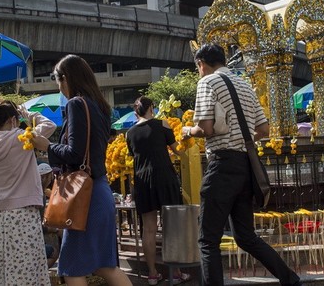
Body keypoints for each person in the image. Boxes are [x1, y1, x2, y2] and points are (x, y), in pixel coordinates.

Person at [182, 44, 301, 286]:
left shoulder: (207, 82)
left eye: (198, 67)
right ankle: (290, 280)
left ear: (201, 64)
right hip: (245, 166)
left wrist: (187, 130)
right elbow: (263, 129)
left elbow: (205, 128)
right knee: (246, 237)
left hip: (222, 165)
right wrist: (239, 138)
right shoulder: (245, 84)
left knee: (208, 240)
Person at [35, 54, 131, 286]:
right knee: (104, 265)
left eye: (57, 80)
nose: (58, 87)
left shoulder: (76, 104)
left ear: (65, 78)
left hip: (84, 198)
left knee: (71, 267)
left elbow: (75, 154)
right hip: (98, 191)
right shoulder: (99, 106)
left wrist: (47, 146)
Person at [0, 97, 55, 285]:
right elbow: (49, 125)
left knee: (2, 266)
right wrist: (28, 114)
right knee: (26, 268)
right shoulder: (21, 138)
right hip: (22, 212)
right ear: (13, 120)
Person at [125, 96, 189, 285]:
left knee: (149, 229)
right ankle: (176, 272)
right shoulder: (163, 124)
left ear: (136, 112)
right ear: (151, 108)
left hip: (143, 181)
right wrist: (184, 141)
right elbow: (178, 150)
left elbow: (138, 154)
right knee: (171, 227)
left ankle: (152, 274)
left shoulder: (129, 133)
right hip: (164, 178)